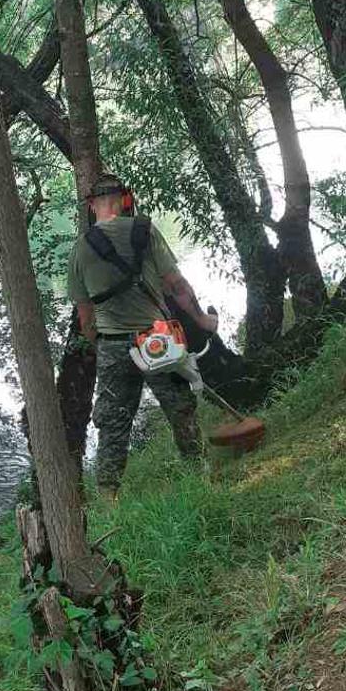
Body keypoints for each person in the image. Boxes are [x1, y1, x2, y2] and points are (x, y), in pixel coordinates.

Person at [68, 174, 218, 497]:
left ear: (92, 206)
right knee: (180, 410)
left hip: (112, 346)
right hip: (156, 339)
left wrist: (102, 345)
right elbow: (177, 285)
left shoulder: (80, 249)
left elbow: (85, 318)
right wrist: (202, 320)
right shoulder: (144, 230)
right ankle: (200, 480)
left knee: (112, 425)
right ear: (125, 200)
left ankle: (109, 498)